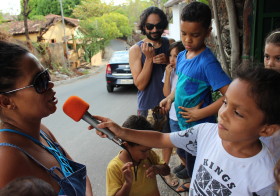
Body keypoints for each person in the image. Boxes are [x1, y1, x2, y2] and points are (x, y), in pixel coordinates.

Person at [95, 67, 280, 195]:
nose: (223, 114)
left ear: (267, 129)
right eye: (225, 103)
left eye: (237, 112)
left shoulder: (266, 176)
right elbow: (161, 139)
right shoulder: (205, 132)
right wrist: (120, 131)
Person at [0, 41, 93, 196]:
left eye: (46, 75)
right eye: (40, 82)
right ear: (6, 102)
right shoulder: (8, 159)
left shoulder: (42, 132)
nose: (50, 85)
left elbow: (83, 181)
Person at [160, 2, 231, 191]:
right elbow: (181, 84)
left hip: (200, 128)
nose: (187, 39)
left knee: (200, 162)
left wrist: (202, 113)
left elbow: (231, 96)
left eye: (195, 34)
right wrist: (170, 98)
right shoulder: (182, 56)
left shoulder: (207, 63)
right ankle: (192, 181)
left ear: (207, 32)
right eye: (184, 33)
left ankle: (196, 186)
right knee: (186, 156)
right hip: (183, 125)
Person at [105, 115, 170, 196]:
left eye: (149, 149)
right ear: (126, 145)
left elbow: (167, 170)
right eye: (143, 151)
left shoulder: (149, 154)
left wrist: (159, 169)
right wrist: (127, 184)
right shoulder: (114, 167)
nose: (147, 155)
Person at [129, 6, 170, 117]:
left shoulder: (170, 43)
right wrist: (149, 59)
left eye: (159, 26)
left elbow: (181, 73)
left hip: (171, 105)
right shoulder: (136, 50)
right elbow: (140, 85)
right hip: (149, 108)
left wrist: (168, 61)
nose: (154, 30)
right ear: (143, 27)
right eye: (150, 26)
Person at [161, 41, 185, 187]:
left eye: (176, 56)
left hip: (183, 115)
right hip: (172, 115)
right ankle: (184, 164)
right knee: (178, 144)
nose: (172, 59)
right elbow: (166, 93)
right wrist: (168, 74)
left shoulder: (186, 72)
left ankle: (186, 165)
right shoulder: (170, 71)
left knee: (184, 144)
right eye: (170, 55)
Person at [260, 29, 280, 161]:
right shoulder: (260, 83)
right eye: (267, 57)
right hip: (261, 144)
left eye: (278, 58)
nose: (270, 63)